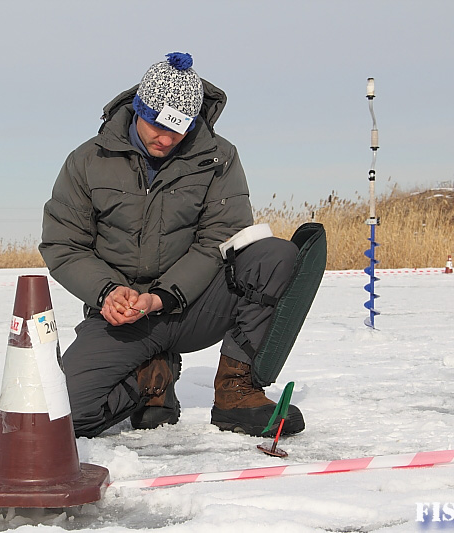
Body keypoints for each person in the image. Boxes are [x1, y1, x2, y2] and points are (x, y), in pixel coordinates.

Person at [40, 52, 312, 438]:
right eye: (157, 125)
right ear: (139, 108)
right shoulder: (87, 161)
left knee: (273, 255)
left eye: (179, 127)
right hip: (122, 316)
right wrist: (105, 292)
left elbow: (221, 237)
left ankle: (237, 392)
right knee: (63, 417)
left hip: (195, 306)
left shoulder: (219, 157)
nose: (166, 138)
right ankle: (153, 377)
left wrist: (164, 296)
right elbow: (63, 244)